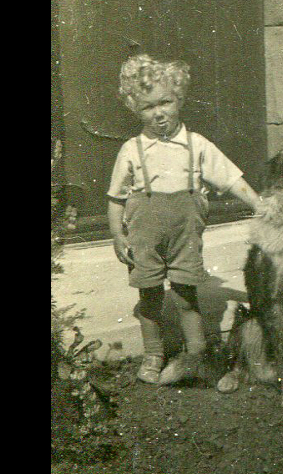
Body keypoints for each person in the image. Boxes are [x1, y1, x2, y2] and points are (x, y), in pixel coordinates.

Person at [107, 54, 261, 385]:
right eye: (148, 107)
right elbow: (116, 199)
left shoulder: (196, 145)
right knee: (149, 297)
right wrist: (118, 236)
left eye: (165, 102)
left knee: (185, 296)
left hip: (184, 236)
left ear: (179, 98)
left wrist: (258, 203)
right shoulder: (132, 150)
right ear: (135, 108)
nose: (158, 113)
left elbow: (230, 178)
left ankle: (197, 354)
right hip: (145, 238)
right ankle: (153, 354)